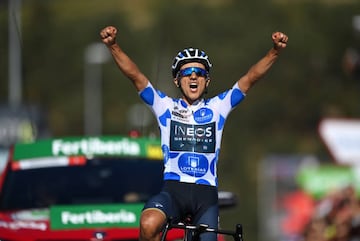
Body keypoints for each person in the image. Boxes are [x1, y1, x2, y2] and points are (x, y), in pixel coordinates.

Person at [100, 25, 288, 241]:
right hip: (173, 190)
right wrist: (113, 46)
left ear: (207, 81)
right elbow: (136, 76)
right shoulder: (165, 107)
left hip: (205, 196)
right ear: (176, 80)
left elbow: (250, 78)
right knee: (148, 224)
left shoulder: (219, 107)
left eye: (199, 73)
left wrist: (274, 51)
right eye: (186, 73)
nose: (193, 77)